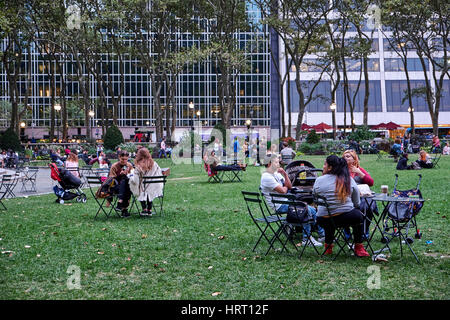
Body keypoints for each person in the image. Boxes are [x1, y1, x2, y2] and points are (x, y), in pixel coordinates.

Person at [260, 154, 325, 247]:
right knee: (306, 209)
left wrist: (285, 174)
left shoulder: (277, 174)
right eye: (276, 162)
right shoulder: (267, 177)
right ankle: (306, 239)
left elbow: (289, 186)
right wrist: (285, 187)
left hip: (286, 201)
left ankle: (322, 235)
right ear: (270, 164)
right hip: (279, 205)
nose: (279, 164)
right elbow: (283, 191)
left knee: (312, 209)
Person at [312, 155, 370, 257]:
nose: (323, 166)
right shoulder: (348, 180)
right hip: (344, 218)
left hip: (322, 219)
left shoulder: (319, 180)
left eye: (325, 164)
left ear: (330, 167)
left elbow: (315, 198)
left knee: (330, 216)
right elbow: (357, 202)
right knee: (358, 216)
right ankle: (358, 247)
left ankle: (328, 247)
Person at [342, 149, 376, 240]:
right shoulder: (340, 171)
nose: (345, 158)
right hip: (346, 197)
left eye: (348, 156)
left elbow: (371, 182)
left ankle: (364, 232)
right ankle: (347, 233)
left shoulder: (359, 170)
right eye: (344, 157)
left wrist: (359, 173)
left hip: (361, 197)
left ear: (354, 159)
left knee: (367, 207)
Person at [129, 148, 163, 217]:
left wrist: (130, 178)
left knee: (141, 188)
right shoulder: (154, 164)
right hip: (155, 185)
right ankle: (149, 210)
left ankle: (144, 209)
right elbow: (159, 174)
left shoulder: (139, 165)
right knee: (148, 189)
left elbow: (135, 179)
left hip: (144, 187)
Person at [108, 150, 134, 217]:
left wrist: (127, 174)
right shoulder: (114, 166)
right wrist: (120, 175)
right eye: (123, 159)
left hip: (127, 186)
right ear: (119, 157)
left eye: (126, 159)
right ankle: (124, 209)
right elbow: (111, 179)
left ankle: (120, 203)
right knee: (125, 183)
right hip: (115, 186)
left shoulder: (129, 165)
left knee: (126, 182)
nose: (124, 161)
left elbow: (132, 176)